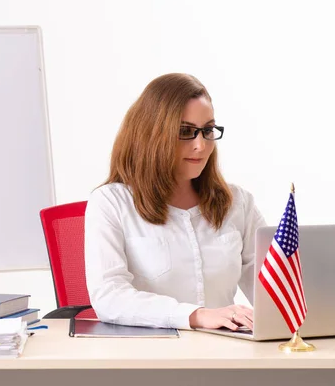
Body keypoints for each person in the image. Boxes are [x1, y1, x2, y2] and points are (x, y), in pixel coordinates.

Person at [84, 73, 266, 331]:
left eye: (207, 131)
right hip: (151, 359)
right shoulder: (111, 202)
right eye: (185, 132)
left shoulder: (238, 203)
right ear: (152, 134)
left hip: (227, 354)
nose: (200, 145)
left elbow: (274, 289)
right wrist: (196, 316)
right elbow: (110, 297)